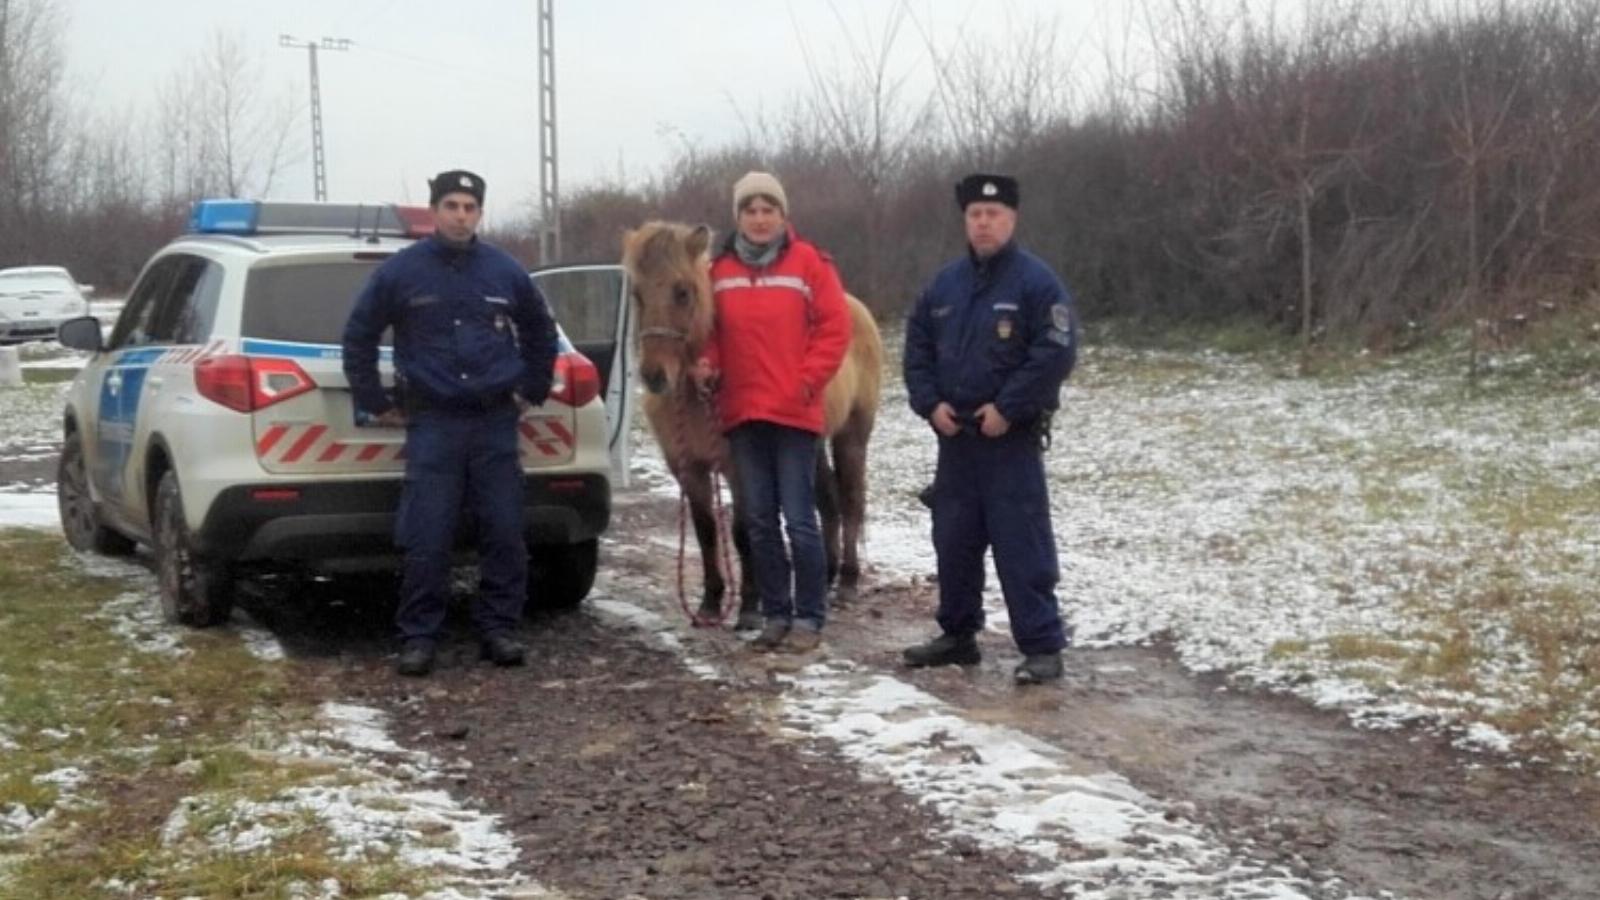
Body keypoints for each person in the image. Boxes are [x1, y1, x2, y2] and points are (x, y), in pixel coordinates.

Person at [343, 169, 558, 677]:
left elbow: (540, 332)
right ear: (435, 210)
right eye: (452, 206)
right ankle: (419, 637)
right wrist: (373, 398)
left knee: (504, 530)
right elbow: (360, 335)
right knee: (427, 535)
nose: (461, 216)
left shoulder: (505, 271)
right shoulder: (402, 272)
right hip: (434, 422)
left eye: (470, 207)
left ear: (480, 213)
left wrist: (530, 389)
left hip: (493, 422)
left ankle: (499, 629)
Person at [901, 173, 1078, 685]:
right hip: (955, 440)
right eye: (975, 214)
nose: (983, 222)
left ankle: (1043, 646)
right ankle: (958, 635)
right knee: (953, 541)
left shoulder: (1036, 283)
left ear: (1012, 219)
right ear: (965, 220)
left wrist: (1009, 408)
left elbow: (1055, 353)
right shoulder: (943, 286)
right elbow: (917, 351)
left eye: (993, 214)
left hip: (1010, 439)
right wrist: (930, 405)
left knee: (1021, 542)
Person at [691, 171, 851, 653]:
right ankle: (775, 614)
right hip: (742, 413)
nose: (760, 220)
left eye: (768, 210)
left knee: (799, 518)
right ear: (738, 217)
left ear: (783, 216)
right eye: (750, 211)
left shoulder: (810, 264)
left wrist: (806, 380)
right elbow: (712, 333)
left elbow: (833, 329)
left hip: (794, 413)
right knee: (758, 519)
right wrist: (708, 365)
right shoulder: (718, 272)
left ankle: (809, 616)